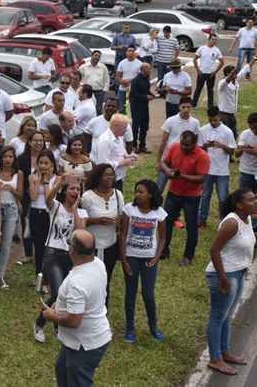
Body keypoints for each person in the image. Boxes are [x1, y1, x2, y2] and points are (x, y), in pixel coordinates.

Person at [41, 230, 111, 387]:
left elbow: (74, 321)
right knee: (62, 370)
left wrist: (52, 315)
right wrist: (60, 305)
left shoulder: (77, 282)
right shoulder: (98, 264)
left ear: (72, 250)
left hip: (85, 344)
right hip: (82, 339)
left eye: (69, 242)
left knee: (77, 380)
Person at [204, 189, 256, 376]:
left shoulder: (247, 218)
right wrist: (223, 278)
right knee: (218, 317)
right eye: (251, 200)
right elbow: (214, 250)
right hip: (225, 275)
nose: (255, 201)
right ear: (239, 205)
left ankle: (224, 352)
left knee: (227, 316)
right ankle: (215, 359)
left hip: (238, 273)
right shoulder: (232, 223)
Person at [34, 176, 87, 344]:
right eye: (72, 188)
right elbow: (48, 198)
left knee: (64, 295)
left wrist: (76, 207)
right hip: (53, 253)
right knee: (57, 293)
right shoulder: (56, 206)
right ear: (65, 191)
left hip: (70, 256)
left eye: (78, 189)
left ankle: (57, 325)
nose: (75, 192)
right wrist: (58, 184)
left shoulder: (82, 212)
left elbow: (80, 232)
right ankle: (40, 323)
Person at [119, 179, 166, 343]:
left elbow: (163, 238)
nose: (137, 195)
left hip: (149, 259)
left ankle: (153, 327)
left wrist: (156, 257)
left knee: (148, 294)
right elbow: (123, 234)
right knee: (130, 293)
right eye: (136, 191)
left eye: (141, 192)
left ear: (150, 195)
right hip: (131, 258)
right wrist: (124, 259)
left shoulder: (159, 213)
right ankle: (130, 328)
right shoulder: (128, 210)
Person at [160, 131, 210, 266]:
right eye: (182, 144)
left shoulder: (202, 156)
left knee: (191, 226)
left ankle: (188, 256)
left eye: (187, 145)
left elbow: (201, 178)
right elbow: (163, 163)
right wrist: (168, 171)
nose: (183, 147)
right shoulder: (175, 147)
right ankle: (164, 250)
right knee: (166, 222)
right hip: (174, 193)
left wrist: (181, 176)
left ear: (195, 144)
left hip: (191, 196)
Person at [81, 164, 123, 304]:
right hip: (91, 247)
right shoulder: (87, 197)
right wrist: (96, 221)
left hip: (110, 246)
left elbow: (122, 217)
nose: (110, 177)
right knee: (90, 281)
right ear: (98, 177)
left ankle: (102, 315)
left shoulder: (118, 195)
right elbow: (80, 221)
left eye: (112, 174)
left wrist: (118, 221)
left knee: (105, 280)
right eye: (106, 174)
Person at [198, 108, 236, 228]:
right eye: (210, 120)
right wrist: (205, 146)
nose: (213, 122)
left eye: (215, 120)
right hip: (207, 170)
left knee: (223, 198)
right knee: (204, 196)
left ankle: (224, 221)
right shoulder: (203, 130)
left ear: (219, 117)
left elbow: (232, 151)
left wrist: (221, 145)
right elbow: (198, 150)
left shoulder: (227, 132)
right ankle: (201, 220)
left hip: (222, 171)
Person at [28, 149, 60, 282]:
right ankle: (39, 276)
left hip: (49, 214)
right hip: (36, 212)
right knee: (39, 246)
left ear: (52, 164)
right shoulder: (32, 176)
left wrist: (46, 182)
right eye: (40, 162)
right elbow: (33, 196)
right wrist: (39, 180)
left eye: (46, 163)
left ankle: (48, 276)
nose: (42, 166)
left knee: (49, 247)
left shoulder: (57, 179)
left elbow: (49, 199)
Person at [157, 97, 200, 192]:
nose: (186, 110)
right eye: (183, 107)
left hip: (185, 159)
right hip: (169, 158)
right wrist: (159, 161)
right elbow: (163, 141)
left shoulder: (195, 123)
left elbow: (195, 143)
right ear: (179, 107)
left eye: (188, 107)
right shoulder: (170, 121)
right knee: (159, 187)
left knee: (182, 187)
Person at [18, 130, 48, 266]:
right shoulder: (22, 159)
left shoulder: (48, 156)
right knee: (26, 222)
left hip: (44, 195)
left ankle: (42, 251)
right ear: (29, 142)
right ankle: (28, 253)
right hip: (26, 195)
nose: (38, 143)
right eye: (35, 140)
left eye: (41, 140)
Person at [0, 146, 23, 288]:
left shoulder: (19, 174)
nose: (7, 159)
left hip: (11, 209)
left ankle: (1, 275)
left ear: (14, 158)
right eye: (5, 156)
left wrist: (12, 189)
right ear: (1, 158)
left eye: (10, 157)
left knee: (6, 244)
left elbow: (21, 195)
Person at [90, 113, 136, 191]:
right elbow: (102, 163)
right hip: (108, 180)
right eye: (124, 127)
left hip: (118, 177)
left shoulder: (118, 137)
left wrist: (128, 156)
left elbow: (120, 152)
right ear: (115, 126)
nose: (126, 130)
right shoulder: (105, 140)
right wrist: (121, 163)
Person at [218, 62, 253, 140]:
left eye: (235, 72)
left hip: (232, 114)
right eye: (233, 72)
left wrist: (254, 59)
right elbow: (225, 82)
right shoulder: (222, 83)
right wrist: (232, 74)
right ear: (227, 73)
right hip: (224, 114)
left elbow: (244, 70)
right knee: (226, 135)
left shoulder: (235, 80)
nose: (235, 74)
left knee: (233, 135)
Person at [129, 62, 155, 153]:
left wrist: (151, 94)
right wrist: (145, 97)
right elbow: (134, 94)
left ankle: (142, 145)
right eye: (148, 69)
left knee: (144, 125)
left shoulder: (146, 79)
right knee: (135, 126)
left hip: (144, 106)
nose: (150, 70)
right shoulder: (136, 80)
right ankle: (134, 145)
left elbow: (146, 90)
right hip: (136, 106)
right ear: (143, 70)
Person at [192, 35, 224, 109]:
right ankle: (194, 104)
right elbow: (195, 59)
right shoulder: (202, 48)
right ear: (209, 40)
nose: (214, 41)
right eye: (213, 39)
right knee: (198, 88)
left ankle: (210, 106)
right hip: (202, 72)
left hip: (211, 74)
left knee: (210, 90)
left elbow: (222, 62)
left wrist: (215, 72)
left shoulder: (216, 50)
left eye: (215, 40)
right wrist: (198, 70)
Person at [115, 46, 142, 114]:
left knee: (133, 109)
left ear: (135, 53)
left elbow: (140, 77)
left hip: (134, 89)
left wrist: (130, 82)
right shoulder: (122, 63)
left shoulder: (139, 64)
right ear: (126, 53)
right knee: (122, 109)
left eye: (133, 51)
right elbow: (118, 75)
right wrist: (122, 81)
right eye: (129, 50)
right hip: (122, 89)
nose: (131, 52)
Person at [235, 112, 257, 192]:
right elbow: (237, 154)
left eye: (255, 127)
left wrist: (246, 149)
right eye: (251, 128)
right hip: (246, 172)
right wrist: (241, 149)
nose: (253, 130)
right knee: (244, 197)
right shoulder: (245, 134)